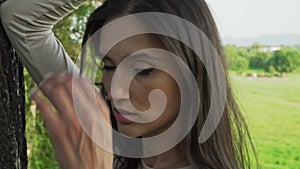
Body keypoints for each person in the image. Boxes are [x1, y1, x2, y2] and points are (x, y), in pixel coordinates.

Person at [1, 0, 257, 169]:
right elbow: (23, 21)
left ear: (195, 73)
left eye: (143, 70)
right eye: (109, 67)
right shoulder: (103, 132)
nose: (115, 92)